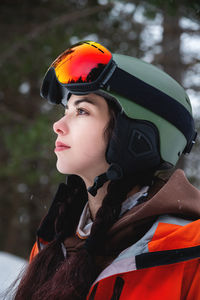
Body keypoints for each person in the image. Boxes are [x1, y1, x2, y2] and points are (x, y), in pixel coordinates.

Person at [14, 41, 200, 300]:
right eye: (65, 110)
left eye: (81, 110)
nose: (58, 125)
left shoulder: (189, 252)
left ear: (137, 136)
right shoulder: (52, 245)